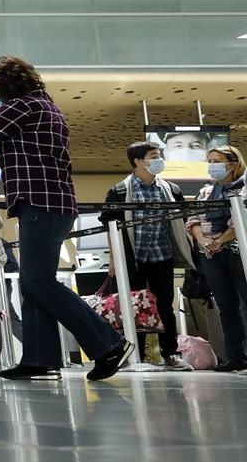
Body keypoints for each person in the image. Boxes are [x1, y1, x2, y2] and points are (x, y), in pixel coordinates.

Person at [0, 56, 126, 381]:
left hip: (41, 204)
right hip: (55, 204)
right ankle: (39, 359)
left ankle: (108, 343)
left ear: (6, 85)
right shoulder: (47, 106)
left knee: (39, 282)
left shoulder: (21, 107)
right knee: (32, 283)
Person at [104, 142, 189, 369]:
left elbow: (183, 220)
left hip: (162, 255)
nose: (158, 160)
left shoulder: (171, 189)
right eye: (153, 156)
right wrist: (114, 260)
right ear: (138, 161)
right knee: (134, 305)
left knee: (164, 305)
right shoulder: (119, 191)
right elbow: (110, 228)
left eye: (158, 155)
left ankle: (170, 353)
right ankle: (136, 356)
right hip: (134, 258)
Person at [188, 145, 247, 371]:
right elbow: (192, 219)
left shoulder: (243, 189)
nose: (212, 166)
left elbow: (240, 222)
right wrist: (204, 241)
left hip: (237, 251)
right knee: (226, 306)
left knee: (245, 303)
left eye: (217, 161)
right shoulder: (205, 192)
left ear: (232, 164)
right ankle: (235, 357)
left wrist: (220, 240)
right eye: (210, 160)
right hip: (210, 254)